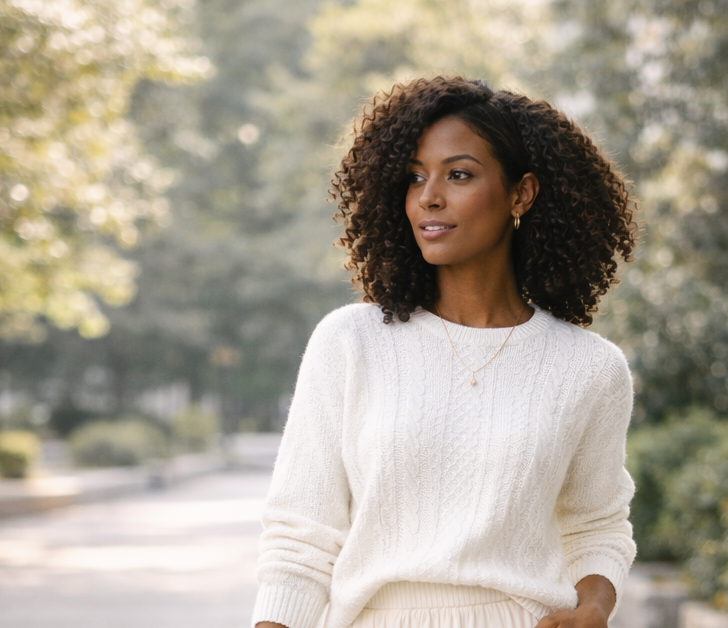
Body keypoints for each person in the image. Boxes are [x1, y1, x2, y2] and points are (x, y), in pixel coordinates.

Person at [253, 76, 638, 628]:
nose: (429, 197)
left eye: (459, 174)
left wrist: (595, 606)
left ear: (521, 194)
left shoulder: (589, 367)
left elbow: (596, 524)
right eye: (415, 176)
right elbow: (300, 535)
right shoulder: (350, 341)